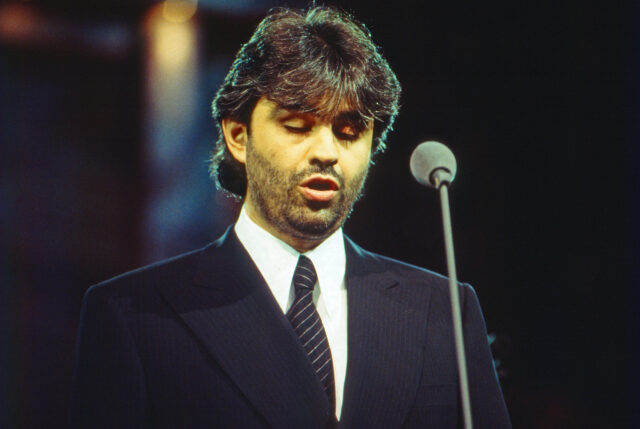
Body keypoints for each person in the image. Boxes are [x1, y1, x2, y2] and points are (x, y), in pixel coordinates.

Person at [70, 6, 511, 429]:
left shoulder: (446, 311)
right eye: (298, 125)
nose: (326, 152)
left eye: (349, 131)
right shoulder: (134, 315)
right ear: (238, 136)